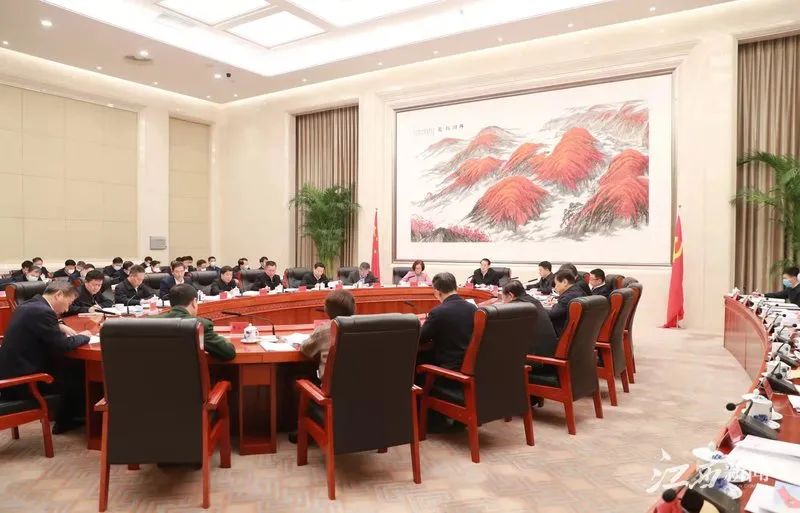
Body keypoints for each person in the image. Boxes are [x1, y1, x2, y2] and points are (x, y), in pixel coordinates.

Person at [0, 281, 91, 433]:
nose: (67, 309)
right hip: (23, 382)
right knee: (79, 370)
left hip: (12, 372)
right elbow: (62, 345)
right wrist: (85, 336)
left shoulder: (30, 305)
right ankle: (66, 421)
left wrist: (59, 325)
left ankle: (71, 417)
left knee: (71, 366)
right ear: (59, 295)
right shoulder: (43, 312)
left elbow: (42, 329)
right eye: (68, 303)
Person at [158, 284, 235, 361]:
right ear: (194, 302)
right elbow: (229, 353)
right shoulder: (199, 325)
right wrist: (225, 340)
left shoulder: (152, 322)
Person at [420, 272, 477, 370]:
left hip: (448, 366)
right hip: (472, 365)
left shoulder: (438, 312)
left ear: (437, 292)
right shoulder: (473, 308)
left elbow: (421, 338)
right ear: (456, 288)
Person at [300, 290, 356, 379]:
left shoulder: (323, 330)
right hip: (362, 384)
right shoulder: (364, 328)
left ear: (326, 310)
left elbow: (305, 349)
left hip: (332, 387)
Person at [500, 280, 558, 358]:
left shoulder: (516, 307)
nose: (503, 302)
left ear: (511, 295)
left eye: (503, 299)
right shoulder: (534, 301)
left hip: (536, 357)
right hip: (550, 351)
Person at [548, 269, 588, 337]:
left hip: (562, 333)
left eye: (556, 284)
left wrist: (539, 309)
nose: (555, 287)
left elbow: (552, 314)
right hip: (579, 334)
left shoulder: (568, 296)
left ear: (565, 282)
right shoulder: (578, 290)